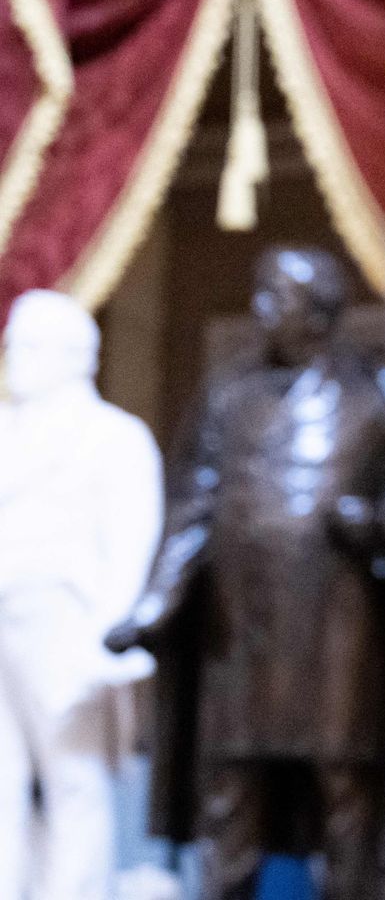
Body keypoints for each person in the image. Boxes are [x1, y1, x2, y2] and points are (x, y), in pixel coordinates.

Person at [104, 248, 385, 900]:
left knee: (343, 797)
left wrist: (376, 522)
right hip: (238, 637)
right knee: (232, 797)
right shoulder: (229, 398)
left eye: (276, 296)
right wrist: (155, 606)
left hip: (337, 642)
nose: (261, 311)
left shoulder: (380, 397)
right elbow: (195, 508)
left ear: (319, 312)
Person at [0, 290, 163, 900]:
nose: (15, 356)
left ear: (74, 355)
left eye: (31, 344)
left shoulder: (112, 437)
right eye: (14, 342)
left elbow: (131, 544)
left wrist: (105, 639)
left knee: (74, 777)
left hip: (62, 621)